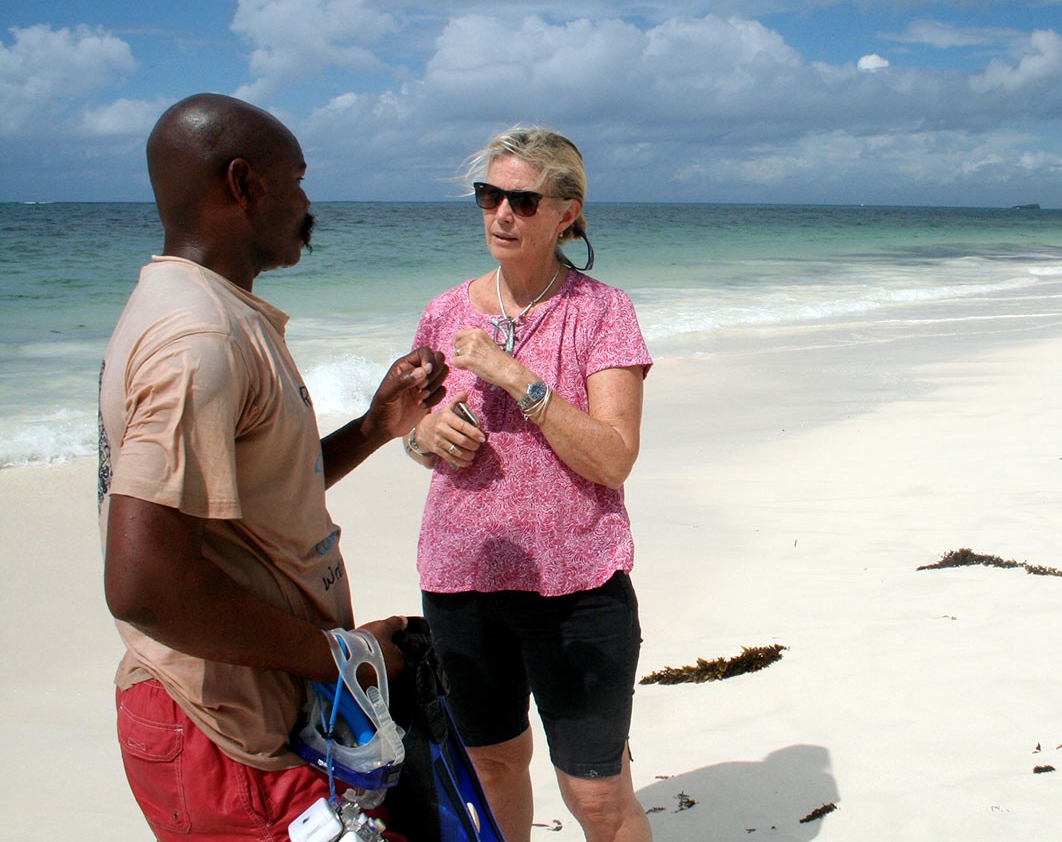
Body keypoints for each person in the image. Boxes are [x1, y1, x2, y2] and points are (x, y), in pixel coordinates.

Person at [99, 93, 448, 840]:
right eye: (296, 179)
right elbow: (144, 587)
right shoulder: (200, 339)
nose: (306, 203)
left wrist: (374, 428)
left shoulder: (211, 311)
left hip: (258, 711)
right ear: (242, 184)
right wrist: (344, 657)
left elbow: (252, 494)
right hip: (222, 730)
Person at [403, 127, 653, 842]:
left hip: (577, 583)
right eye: (490, 196)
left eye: (523, 200)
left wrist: (514, 375)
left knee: (596, 794)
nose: (502, 214)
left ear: (566, 213)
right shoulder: (444, 310)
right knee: (491, 767)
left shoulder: (602, 312)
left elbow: (613, 459)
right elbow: (409, 430)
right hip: (461, 578)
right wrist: (424, 439)